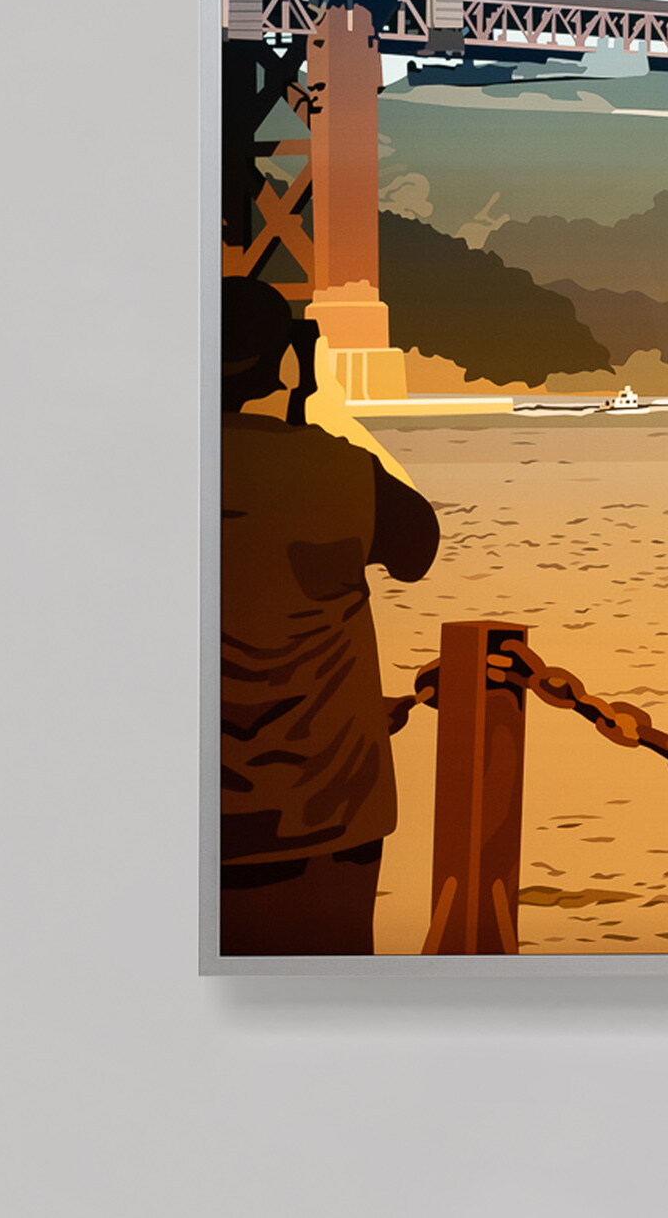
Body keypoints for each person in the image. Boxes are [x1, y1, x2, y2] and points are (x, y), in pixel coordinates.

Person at [218, 276, 441, 955]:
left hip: (188, 806)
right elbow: (415, 550)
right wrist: (319, 410)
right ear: (287, 356)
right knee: (330, 992)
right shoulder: (337, 470)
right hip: (329, 802)